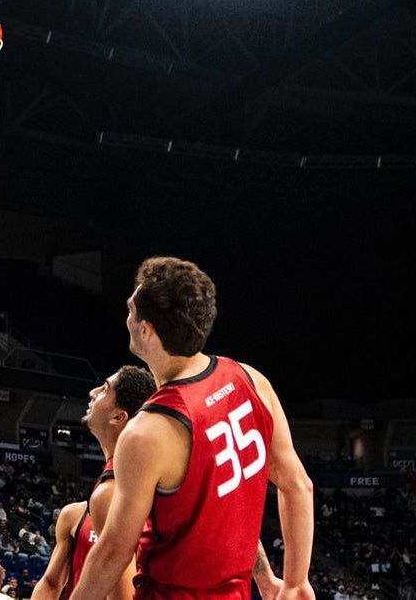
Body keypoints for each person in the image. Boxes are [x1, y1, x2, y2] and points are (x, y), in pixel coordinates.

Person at [71, 256, 315, 599]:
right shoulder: (251, 379)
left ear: (146, 330)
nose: (127, 317)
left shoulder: (148, 431)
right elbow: (298, 485)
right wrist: (295, 583)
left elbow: (112, 553)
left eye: (131, 310)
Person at [33, 366, 156, 600]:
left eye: (104, 389)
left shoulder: (114, 492)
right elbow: (51, 583)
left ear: (118, 416)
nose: (92, 392)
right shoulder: (81, 511)